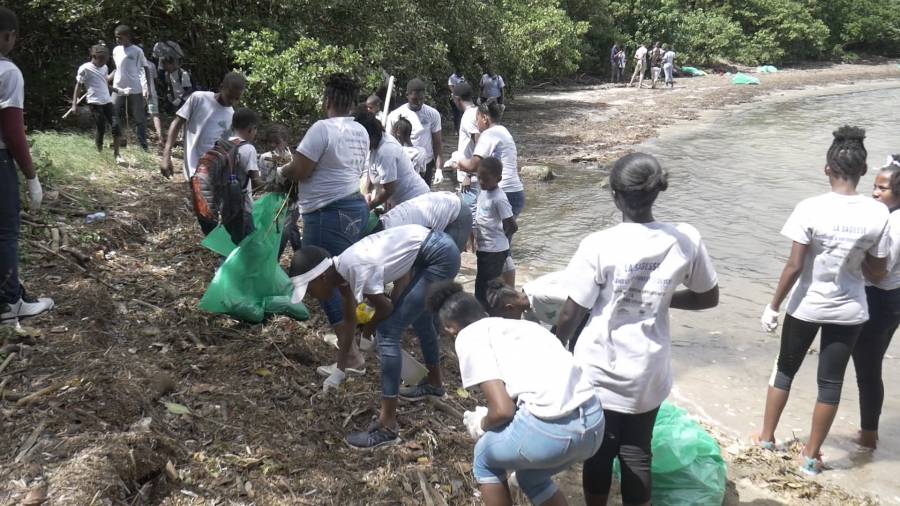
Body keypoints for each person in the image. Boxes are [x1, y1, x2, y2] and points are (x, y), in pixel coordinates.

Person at [554, 152, 719, 505]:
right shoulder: (684, 238)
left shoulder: (598, 244)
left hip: (600, 370)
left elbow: (571, 313)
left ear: (615, 195)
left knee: (598, 451)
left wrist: (553, 347)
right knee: (637, 452)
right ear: (656, 192)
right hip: (648, 371)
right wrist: (659, 299)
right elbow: (707, 297)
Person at [755, 126, 889, 475]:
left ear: (827, 168)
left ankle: (767, 438)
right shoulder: (878, 214)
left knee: (784, 369)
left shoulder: (810, 208)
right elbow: (878, 271)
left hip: (807, 306)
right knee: (830, 383)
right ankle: (812, 457)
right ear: (863, 172)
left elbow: (794, 265)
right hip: (851, 309)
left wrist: (773, 306)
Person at [427, 281, 605, 506]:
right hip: (594, 424)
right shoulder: (523, 327)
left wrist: (480, 424)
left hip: (555, 432)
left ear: (449, 328)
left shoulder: (468, 337)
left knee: (484, 458)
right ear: (482, 311)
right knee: (531, 477)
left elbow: (502, 410)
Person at [288, 224, 461, 448]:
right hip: (436, 249)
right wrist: (340, 370)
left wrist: (369, 332)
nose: (312, 296)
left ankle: (387, 427)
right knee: (420, 318)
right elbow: (350, 320)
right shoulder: (340, 272)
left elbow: (385, 309)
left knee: (388, 332)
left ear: (320, 278)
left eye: (310, 290)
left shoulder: (355, 267)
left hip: (439, 255)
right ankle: (434, 385)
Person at [277, 73, 371, 378]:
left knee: (325, 280)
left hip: (327, 211)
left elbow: (301, 170)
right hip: (354, 207)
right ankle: (354, 343)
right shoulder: (360, 130)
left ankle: (352, 356)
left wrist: (281, 170)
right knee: (344, 280)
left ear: (327, 100)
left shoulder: (321, 128)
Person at [0, 7, 54, 325]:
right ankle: (10, 303)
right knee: (6, 232)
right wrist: (31, 177)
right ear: (9, 36)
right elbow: (13, 130)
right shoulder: (8, 72)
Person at [852, 154, 900, 450]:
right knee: (869, 366)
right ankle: (869, 432)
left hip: (881, 299)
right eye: (874, 185)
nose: (874, 192)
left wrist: (854, 257)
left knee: (867, 368)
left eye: (882, 188)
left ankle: (869, 435)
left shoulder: (893, 226)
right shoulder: (889, 217)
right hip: (892, 298)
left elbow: (880, 274)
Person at [458, 100, 524, 285]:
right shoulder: (504, 131)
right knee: (503, 246)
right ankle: (506, 287)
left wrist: (457, 160)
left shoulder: (488, 134)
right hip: (515, 191)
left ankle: (500, 290)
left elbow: (474, 164)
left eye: (478, 118)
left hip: (504, 192)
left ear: (485, 118)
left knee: (499, 247)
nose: (477, 123)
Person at [161, 71, 245, 180]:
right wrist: (166, 155)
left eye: (237, 98)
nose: (232, 101)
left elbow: (226, 148)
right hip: (192, 169)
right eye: (230, 96)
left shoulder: (231, 116)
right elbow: (176, 123)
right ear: (221, 87)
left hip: (211, 174)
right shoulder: (199, 98)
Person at [357, 110, 429, 210]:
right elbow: (371, 168)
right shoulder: (375, 144)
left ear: (368, 135)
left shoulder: (386, 150)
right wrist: (367, 192)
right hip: (398, 201)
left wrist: (368, 207)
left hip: (415, 201)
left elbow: (389, 190)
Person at [470, 158, 517, 307]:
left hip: (494, 250)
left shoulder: (499, 198)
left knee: (486, 289)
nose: (482, 182)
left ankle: (489, 314)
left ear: (498, 179)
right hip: (485, 248)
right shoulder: (484, 192)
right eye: (479, 178)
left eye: (486, 179)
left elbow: (512, 225)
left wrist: (500, 239)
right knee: (483, 284)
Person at [385, 79, 443, 187]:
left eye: (422, 99)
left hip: (425, 165)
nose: (419, 102)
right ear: (407, 95)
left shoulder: (432, 114)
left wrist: (439, 169)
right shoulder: (395, 115)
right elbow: (389, 144)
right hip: (403, 164)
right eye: (415, 99)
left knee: (424, 198)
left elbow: (437, 143)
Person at [375, 191, 473, 253]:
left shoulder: (395, 232)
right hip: (441, 207)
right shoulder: (387, 222)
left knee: (445, 266)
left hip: (457, 213)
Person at [222, 107, 263, 244]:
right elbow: (256, 182)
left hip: (225, 206)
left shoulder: (223, 144)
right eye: (255, 129)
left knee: (231, 245)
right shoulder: (248, 149)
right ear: (251, 129)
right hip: (242, 208)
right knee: (248, 248)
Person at [258, 125, 300, 256]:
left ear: (286, 141)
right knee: (287, 228)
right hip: (274, 198)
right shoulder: (265, 157)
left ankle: (276, 257)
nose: (274, 145)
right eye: (271, 142)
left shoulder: (292, 158)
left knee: (286, 229)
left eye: (277, 142)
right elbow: (263, 178)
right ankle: (297, 252)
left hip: (290, 199)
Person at [72, 44, 119, 157]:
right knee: (101, 127)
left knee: (116, 126)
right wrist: (74, 104)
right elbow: (78, 86)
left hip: (107, 101)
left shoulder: (104, 68)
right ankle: (99, 151)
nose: (104, 62)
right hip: (94, 102)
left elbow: (105, 82)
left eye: (106, 59)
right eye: (102, 59)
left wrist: (117, 89)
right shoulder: (85, 68)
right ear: (94, 56)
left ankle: (117, 154)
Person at [109, 25, 150, 154]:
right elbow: (117, 68)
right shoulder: (116, 50)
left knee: (139, 117)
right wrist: (107, 78)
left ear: (127, 36)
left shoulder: (137, 51)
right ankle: (119, 140)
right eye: (116, 37)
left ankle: (143, 145)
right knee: (113, 113)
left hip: (135, 87)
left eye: (119, 37)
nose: (117, 39)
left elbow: (145, 68)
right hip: (118, 87)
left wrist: (147, 87)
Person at [451, 82, 480, 212]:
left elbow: (480, 145)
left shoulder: (468, 116)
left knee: (470, 216)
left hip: (471, 177)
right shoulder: (477, 112)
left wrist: (469, 174)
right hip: (476, 174)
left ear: (456, 98)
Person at [141, 52, 164, 147]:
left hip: (140, 92)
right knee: (155, 115)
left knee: (140, 114)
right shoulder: (152, 64)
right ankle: (160, 137)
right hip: (152, 91)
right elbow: (154, 79)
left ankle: (143, 137)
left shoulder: (135, 64)